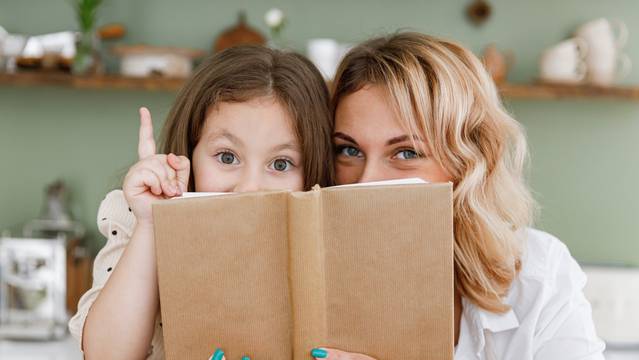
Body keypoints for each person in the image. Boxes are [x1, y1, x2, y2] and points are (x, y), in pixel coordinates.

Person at [308, 32, 605, 360]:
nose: (367, 180)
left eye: (406, 153)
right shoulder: (306, 277)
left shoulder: (538, 275)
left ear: (466, 163)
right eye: (349, 150)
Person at [68, 45, 334, 360]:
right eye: (227, 156)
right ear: (189, 154)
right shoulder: (136, 218)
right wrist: (151, 224)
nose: (249, 189)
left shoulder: (326, 237)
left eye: (280, 164)